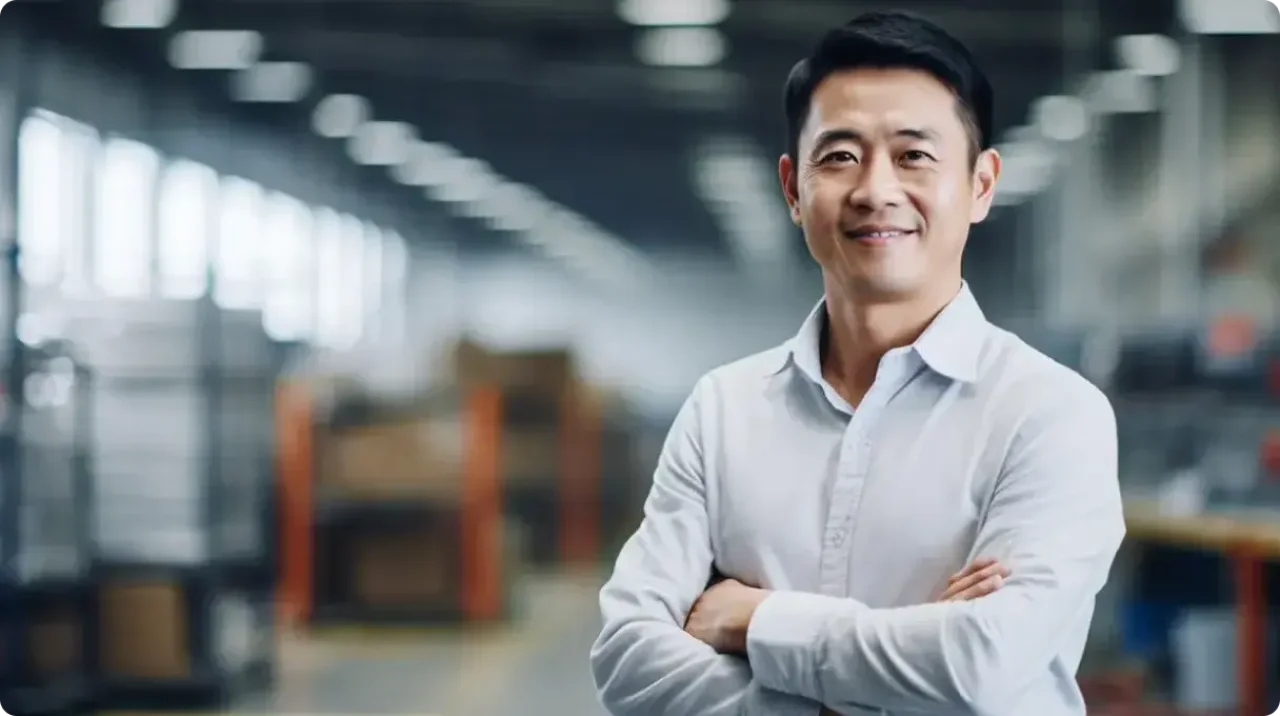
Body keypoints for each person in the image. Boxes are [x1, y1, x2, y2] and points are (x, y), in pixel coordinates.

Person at [589, 9, 1126, 716]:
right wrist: (890, 671)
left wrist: (755, 621)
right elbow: (628, 659)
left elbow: (982, 661)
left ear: (981, 185)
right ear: (792, 188)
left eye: (914, 156)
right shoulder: (723, 411)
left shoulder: (1051, 415)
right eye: (840, 155)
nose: (875, 190)